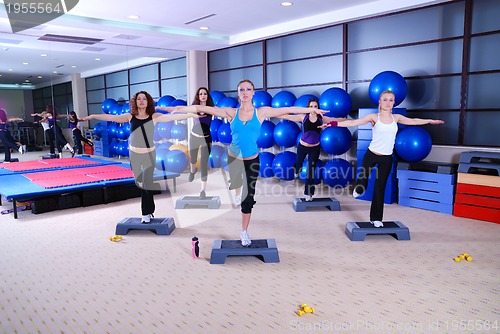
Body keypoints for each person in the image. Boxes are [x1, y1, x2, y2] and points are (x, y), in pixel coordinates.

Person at [174, 80, 326, 246]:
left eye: (248, 89)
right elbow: (202, 108)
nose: (245, 92)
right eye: (241, 90)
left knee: (249, 197)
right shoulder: (231, 112)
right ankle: (237, 190)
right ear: (238, 93)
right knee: (236, 183)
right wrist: (174, 109)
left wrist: (312, 110)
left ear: (253, 92)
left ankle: (244, 231)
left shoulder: (261, 112)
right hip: (234, 158)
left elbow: (289, 109)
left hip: (252, 159)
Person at [321, 90, 444, 227]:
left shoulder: (396, 118)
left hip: (386, 158)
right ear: (380, 102)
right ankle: (359, 189)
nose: (388, 103)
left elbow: (413, 121)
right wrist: (332, 124)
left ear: (394, 102)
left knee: (380, 189)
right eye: (385, 99)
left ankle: (376, 218)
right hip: (371, 155)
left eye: (391, 100)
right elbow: (353, 122)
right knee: (363, 179)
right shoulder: (374, 117)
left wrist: (430, 121)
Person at [82, 91, 202, 224]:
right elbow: (110, 117)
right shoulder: (129, 117)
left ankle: (146, 213)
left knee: (146, 184)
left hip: (149, 155)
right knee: (141, 183)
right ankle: (150, 209)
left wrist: (191, 114)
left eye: (144, 99)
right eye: (139, 99)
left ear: (148, 101)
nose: (141, 101)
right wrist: (93, 116)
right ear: (135, 102)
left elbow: (171, 118)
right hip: (134, 156)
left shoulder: (154, 116)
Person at [279, 97, 345, 201]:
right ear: (307, 108)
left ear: (318, 108)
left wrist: (350, 120)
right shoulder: (303, 117)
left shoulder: (322, 118)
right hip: (302, 146)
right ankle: (296, 169)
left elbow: (336, 120)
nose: (313, 108)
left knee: (311, 171)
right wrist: (274, 113)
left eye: (315, 106)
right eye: (311, 106)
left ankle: (308, 193)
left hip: (315, 148)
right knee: (298, 163)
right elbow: (288, 117)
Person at [156, 87, 215, 199]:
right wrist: (160, 107)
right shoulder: (193, 108)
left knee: (203, 163)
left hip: (206, 139)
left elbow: (223, 112)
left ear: (207, 96)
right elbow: (178, 107)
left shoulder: (211, 108)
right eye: (201, 94)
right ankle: (192, 170)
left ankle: (203, 190)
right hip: (194, 138)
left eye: (205, 94)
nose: (203, 95)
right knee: (192, 159)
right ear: (198, 96)